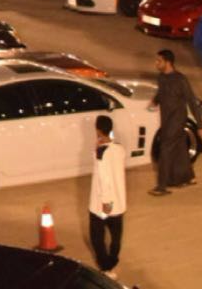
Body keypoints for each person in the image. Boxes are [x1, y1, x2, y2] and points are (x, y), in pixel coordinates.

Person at [148, 49, 202, 195]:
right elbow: (162, 92)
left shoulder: (180, 80)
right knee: (180, 149)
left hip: (177, 120)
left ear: (168, 62)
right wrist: (155, 100)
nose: (156, 63)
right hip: (166, 119)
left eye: (159, 61)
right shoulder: (161, 77)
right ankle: (188, 177)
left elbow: (191, 101)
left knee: (165, 149)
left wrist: (200, 126)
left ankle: (161, 186)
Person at [88, 115, 126, 279]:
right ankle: (113, 261)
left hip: (102, 205)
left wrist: (105, 202)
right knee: (116, 236)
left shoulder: (101, 153)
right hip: (118, 202)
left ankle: (106, 267)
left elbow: (104, 179)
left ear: (98, 130)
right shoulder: (120, 149)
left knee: (97, 237)